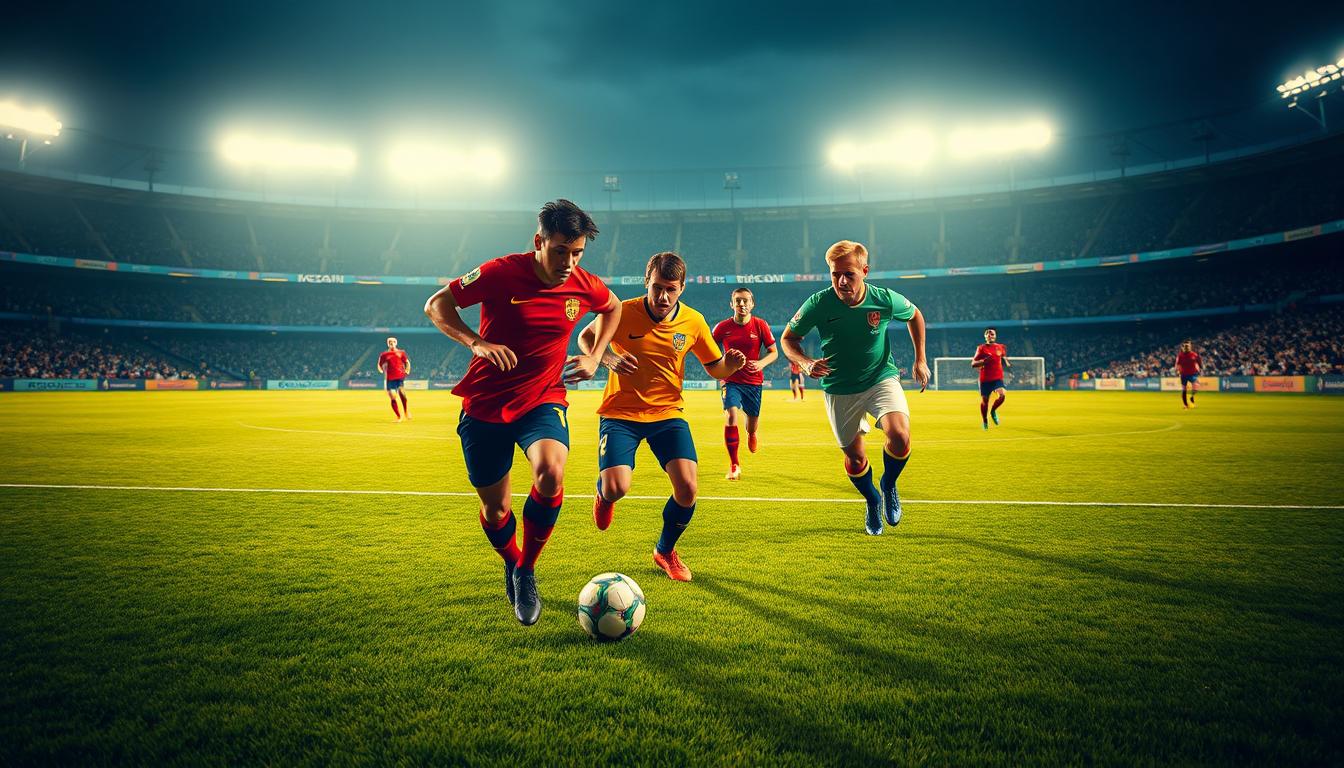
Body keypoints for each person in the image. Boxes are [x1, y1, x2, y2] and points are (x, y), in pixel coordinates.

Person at [423, 199, 621, 626]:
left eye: (578, 253)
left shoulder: (584, 284)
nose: (569, 262)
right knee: (496, 510)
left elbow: (613, 308)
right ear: (539, 241)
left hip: (543, 398)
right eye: (560, 251)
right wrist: (476, 342)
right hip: (485, 403)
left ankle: (527, 568)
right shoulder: (499, 272)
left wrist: (596, 357)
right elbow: (437, 304)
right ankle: (511, 561)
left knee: (551, 472)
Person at [578, 252, 746, 582]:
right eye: (657, 287)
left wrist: (732, 365)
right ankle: (604, 494)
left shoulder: (694, 323)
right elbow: (586, 338)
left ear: (682, 288)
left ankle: (665, 551)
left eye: (671, 289)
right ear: (647, 283)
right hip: (620, 413)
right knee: (616, 487)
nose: (663, 296)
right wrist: (608, 358)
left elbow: (715, 368)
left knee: (687, 489)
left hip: (667, 413)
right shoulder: (621, 311)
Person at [780, 240, 928, 536]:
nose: (841, 281)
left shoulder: (884, 299)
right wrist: (807, 362)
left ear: (865, 271)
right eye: (835, 274)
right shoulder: (818, 303)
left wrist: (920, 359)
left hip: (880, 377)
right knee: (856, 458)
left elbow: (915, 315)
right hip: (839, 386)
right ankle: (873, 499)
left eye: (849, 274)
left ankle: (888, 484)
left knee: (899, 435)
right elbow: (787, 339)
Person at [711, 287, 778, 480]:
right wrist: (722, 363)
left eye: (745, 301)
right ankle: (734, 464)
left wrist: (761, 363)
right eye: (738, 301)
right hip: (730, 380)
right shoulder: (722, 327)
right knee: (731, 415)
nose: (742, 304)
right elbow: (708, 348)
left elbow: (773, 351)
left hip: (754, 383)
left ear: (752, 304)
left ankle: (751, 434)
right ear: (732, 304)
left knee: (751, 424)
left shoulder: (760, 325)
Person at [971, 328, 1010, 429]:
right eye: (988, 334)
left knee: (1002, 395)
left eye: (992, 334)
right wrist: (983, 362)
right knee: (985, 401)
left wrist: (1007, 364)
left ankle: (993, 411)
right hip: (985, 379)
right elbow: (973, 364)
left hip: (997, 378)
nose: (990, 335)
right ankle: (985, 421)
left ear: (995, 336)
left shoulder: (1001, 347)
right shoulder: (981, 348)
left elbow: (1003, 358)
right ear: (985, 337)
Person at [377, 336, 411, 422]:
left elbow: (407, 362)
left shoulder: (401, 352)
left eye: (393, 342)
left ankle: (406, 411)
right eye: (390, 342)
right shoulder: (384, 354)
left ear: (396, 343)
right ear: (388, 344)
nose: (392, 343)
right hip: (390, 378)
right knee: (393, 396)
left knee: (402, 393)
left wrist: (407, 370)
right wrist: (380, 369)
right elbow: (379, 363)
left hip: (399, 376)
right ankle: (398, 416)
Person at [1176, 340, 1201, 409]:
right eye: (1185, 346)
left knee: (1197, 386)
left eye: (1188, 346)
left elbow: (1199, 362)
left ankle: (1191, 396)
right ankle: (1185, 405)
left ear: (1190, 346)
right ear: (1183, 347)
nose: (1186, 347)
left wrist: (1200, 368)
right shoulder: (1180, 355)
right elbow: (1177, 364)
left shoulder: (1194, 355)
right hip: (1183, 374)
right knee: (1184, 390)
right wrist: (1177, 371)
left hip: (1193, 374)